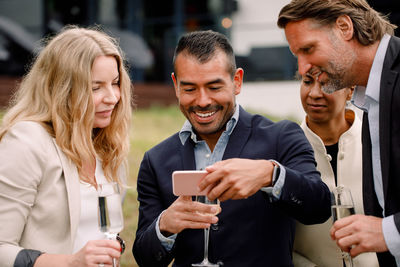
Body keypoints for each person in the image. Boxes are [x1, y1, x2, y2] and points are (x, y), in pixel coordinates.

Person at [132, 30, 331, 267]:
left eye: (214, 87)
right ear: (176, 86)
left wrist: (270, 174)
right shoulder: (155, 160)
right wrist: (165, 225)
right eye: (189, 89)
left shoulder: (281, 137)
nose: (203, 100)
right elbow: (144, 258)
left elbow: (319, 206)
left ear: (237, 81)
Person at [277, 0, 400, 266]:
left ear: (344, 27)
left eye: (308, 49)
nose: (302, 68)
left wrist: (388, 233)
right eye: (297, 55)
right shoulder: (371, 101)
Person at [0, 26, 132, 267]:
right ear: (61, 89)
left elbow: (103, 234)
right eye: (95, 87)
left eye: (115, 83)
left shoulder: (108, 147)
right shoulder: (26, 141)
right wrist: (70, 262)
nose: (112, 97)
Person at [293, 73, 379, 266]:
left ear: (351, 91)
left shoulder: (379, 143)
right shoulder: (283, 150)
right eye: (307, 81)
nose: (314, 93)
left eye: (327, 84)